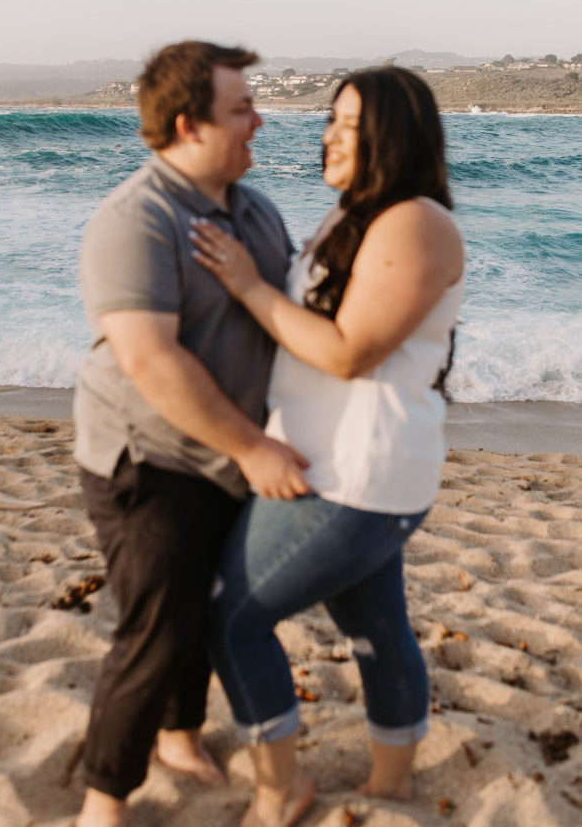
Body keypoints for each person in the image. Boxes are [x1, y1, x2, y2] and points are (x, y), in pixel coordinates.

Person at [190, 66, 464, 827]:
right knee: (375, 626)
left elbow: (348, 352)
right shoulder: (354, 216)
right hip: (342, 464)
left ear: (393, 136)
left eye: (347, 125)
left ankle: (282, 789)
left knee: (229, 618)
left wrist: (248, 284)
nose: (328, 137)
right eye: (329, 121)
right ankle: (392, 785)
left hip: (355, 475)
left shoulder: (413, 222)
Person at [73, 40, 310, 827]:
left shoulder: (253, 209)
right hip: (148, 457)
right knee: (155, 629)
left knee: (204, 612)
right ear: (188, 124)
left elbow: (288, 320)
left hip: (226, 455)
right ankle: (104, 801)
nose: (258, 120)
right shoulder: (136, 218)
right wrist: (253, 447)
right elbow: (150, 360)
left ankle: (178, 737)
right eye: (240, 108)